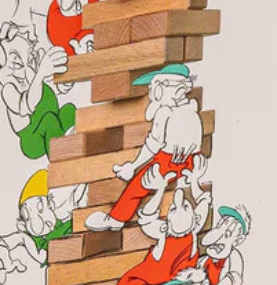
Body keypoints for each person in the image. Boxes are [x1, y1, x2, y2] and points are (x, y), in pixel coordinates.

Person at [85, 64, 203, 231]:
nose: (154, 94)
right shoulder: (191, 109)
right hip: (189, 162)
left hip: (168, 162)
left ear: (177, 90)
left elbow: (153, 144)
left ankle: (116, 218)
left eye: (159, 87)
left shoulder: (165, 112)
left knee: (136, 187)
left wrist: (133, 166)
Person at [114, 158, 212, 285]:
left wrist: (194, 181)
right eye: (173, 209)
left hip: (180, 277)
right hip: (152, 276)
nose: (179, 207)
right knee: (127, 283)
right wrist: (159, 190)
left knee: (195, 278)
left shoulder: (193, 228)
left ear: (194, 218)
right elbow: (147, 218)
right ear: (167, 223)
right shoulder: (165, 232)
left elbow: (204, 202)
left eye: (185, 207)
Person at [0, 21, 74, 159]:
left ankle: (75, 140)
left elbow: (52, 89)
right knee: (49, 120)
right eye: (16, 64)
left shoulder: (30, 74)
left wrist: (65, 81)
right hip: (33, 139)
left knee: (70, 110)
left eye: (28, 61)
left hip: (52, 122)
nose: (24, 70)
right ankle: (60, 159)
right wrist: (41, 73)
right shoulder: (9, 89)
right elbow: (28, 105)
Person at [0, 171, 86, 285]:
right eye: (39, 209)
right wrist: (7, 262)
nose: (45, 215)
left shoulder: (63, 224)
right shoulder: (31, 239)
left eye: (47, 206)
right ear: (22, 225)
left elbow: (78, 196)